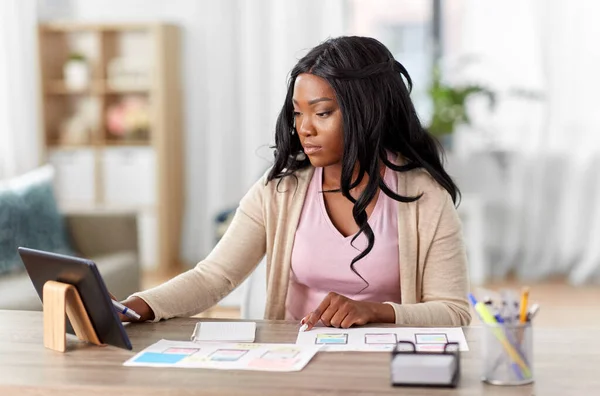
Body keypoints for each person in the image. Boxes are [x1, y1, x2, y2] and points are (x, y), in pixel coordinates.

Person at [117, 36, 471, 329]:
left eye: (322, 113)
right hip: (295, 359)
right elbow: (213, 278)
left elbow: (454, 312)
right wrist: (132, 308)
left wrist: (377, 310)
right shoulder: (279, 191)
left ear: (367, 111)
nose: (304, 128)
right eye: (298, 113)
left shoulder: (424, 196)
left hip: (387, 363)